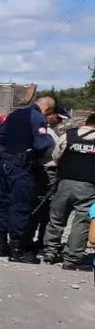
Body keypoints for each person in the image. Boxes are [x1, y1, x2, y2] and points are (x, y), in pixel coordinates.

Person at [0, 96, 56, 263]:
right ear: (47, 109)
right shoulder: (37, 117)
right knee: (20, 206)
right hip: (21, 165)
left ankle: (2, 246)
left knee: (4, 203)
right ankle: (17, 250)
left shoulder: (14, 114)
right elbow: (41, 144)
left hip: (5, 162)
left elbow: (0, 136)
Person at [40, 112, 95, 271]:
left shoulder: (68, 136)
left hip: (65, 182)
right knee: (82, 221)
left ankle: (50, 252)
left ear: (86, 122)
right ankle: (72, 258)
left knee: (57, 218)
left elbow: (55, 156)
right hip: (89, 186)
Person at [31, 105, 68, 248]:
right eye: (58, 118)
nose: (59, 121)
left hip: (50, 171)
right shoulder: (45, 131)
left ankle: (41, 238)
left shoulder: (53, 131)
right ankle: (37, 239)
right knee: (43, 207)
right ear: (50, 114)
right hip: (46, 171)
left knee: (47, 208)